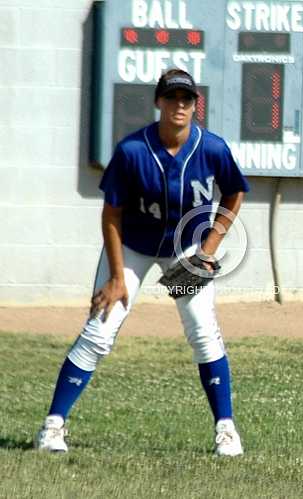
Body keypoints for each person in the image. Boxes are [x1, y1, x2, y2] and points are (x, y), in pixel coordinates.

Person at [35, 68, 250, 456]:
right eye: (171, 98)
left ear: (194, 105)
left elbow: (235, 192)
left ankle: (227, 430)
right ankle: (52, 427)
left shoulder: (212, 148)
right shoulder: (132, 151)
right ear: (158, 102)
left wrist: (209, 248)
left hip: (186, 249)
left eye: (186, 99)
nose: (179, 105)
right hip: (132, 247)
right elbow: (111, 214)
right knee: (100, 331)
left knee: (202, 330)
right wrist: (117, 276)